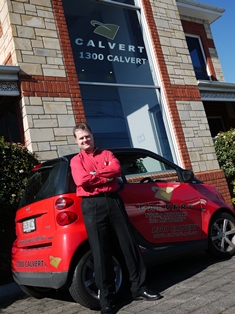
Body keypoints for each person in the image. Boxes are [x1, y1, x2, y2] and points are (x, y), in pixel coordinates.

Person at [70, 122, 162, 314]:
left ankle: (139, 288)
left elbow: (116, 170)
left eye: (87, 136)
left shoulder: (107, 155)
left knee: (128, 245)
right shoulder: (76, 161)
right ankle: (107, 300)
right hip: (93, 205)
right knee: (100, 251)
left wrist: (96, 175)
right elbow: (82, 181)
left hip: (113, 201)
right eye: (81, 138)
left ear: (92, 136)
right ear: (76, 141)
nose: (85, 140)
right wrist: (105, 176)